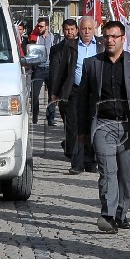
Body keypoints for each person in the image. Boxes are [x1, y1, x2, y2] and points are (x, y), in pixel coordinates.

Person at [78, 20, 130, 232]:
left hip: (129, 126)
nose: (110, 40)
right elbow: (83, 99)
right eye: (107, 36)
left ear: (123, 39)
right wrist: (82, 131)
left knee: (125, 173)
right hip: (103, 125)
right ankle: (108, 214)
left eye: (114, 36)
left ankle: (121, 212)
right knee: (107, 171)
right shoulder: (92, 64)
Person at [52, 16, 101, 174]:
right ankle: (77, 164)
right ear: (79, 29)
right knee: (74, 127)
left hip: (95, 92)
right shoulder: (71, 45)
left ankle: (90, 161)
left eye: (89, 29)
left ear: (94, 30)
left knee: (93, 126)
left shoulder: (101, 45)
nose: (86, 32)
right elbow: (63, 71)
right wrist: (55, 92)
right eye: (84, 29)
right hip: (75, 91)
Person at [45, 19, 77, 127]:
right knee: (68, 123)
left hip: (81, 89)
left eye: (72, 29)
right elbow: (54, 72)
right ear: (63, 31)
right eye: (67, 29)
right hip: (65, 91)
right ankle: (69, 142)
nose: (70, 32)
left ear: (76, 30)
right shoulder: (57, 49)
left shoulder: (83, 47)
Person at [27, 17, 53, 124]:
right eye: (38, 26)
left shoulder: (53, 37)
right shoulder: (35, 37)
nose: (39, 28)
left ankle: (51, 118)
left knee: (52, 95)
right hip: (38, 69)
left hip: (50, 68)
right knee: (35, 95)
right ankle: (35, 117)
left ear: (47, 26)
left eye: (41, 26)